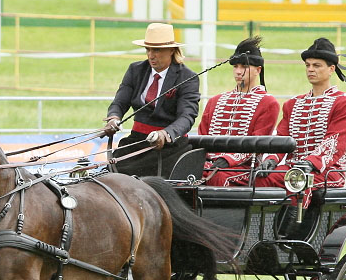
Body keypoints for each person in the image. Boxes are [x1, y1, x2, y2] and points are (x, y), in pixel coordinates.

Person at [254, 37, 346, 206]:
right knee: (259, 180)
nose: (311, 69)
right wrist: (272, 159)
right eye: (308, 65)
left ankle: (292, 228)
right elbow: (282, 138)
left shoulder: (344, 103)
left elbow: (334, 142)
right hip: (293, 167)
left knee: (296, 180)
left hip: (327, 171)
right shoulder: (293, 103)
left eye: (317, 65)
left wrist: (311, 162)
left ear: (331, 69)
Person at [102, 23, 200, 178]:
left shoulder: (187, 77)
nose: (151, 55)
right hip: (135, 142)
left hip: (169, 148)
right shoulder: (135, 70)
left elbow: (187, 116)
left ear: (172, 50)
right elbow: (119, 103)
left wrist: (166, 134)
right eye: (148, 49)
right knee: (111, 176)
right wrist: (113, 118)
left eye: (157, 50)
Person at [200, 36, 281, 186]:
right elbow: (202, 136)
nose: (238, 71)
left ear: (258, 70)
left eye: (244, 66)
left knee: (219, 177)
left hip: (243, 168)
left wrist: (226, 160)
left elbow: (257, 142)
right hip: (210, 165)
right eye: (235, 66)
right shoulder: (215, 101)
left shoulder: (268, 103)